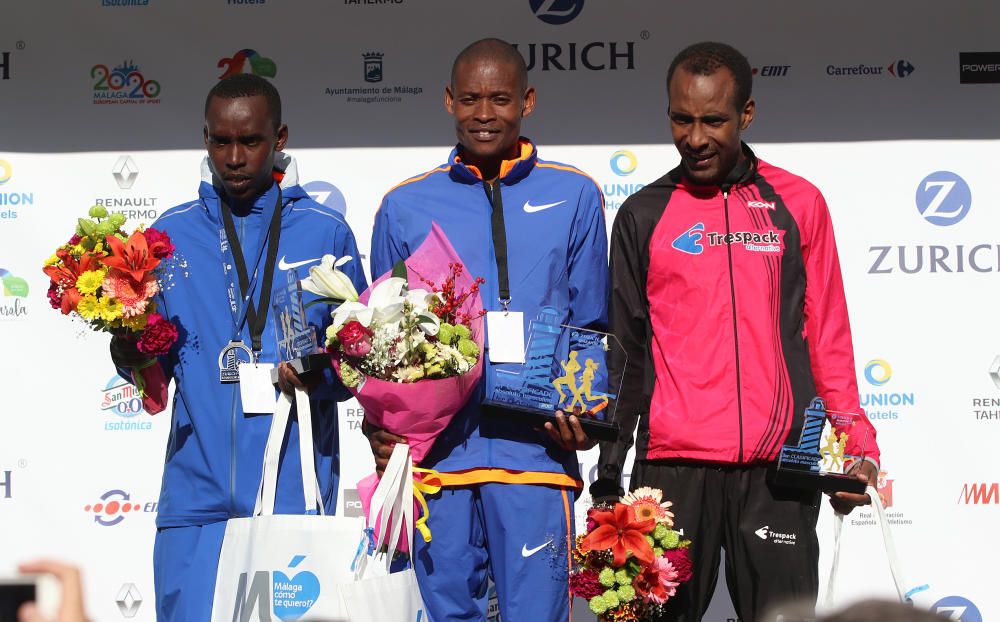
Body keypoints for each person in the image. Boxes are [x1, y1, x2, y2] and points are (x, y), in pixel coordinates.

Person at [591, 42, 882, 621]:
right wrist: (607, 475)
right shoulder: (644, 213)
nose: (695, 138)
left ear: (746, 115)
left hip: (780, 471)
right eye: (681, 118)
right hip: (672, 469)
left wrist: (856, 448)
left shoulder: (798, 203)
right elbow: (624, 352)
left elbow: (827, 336)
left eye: (713, 120)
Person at [108, 73, 367, 621]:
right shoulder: (166, 239)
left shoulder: (327, 232)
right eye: (219, 141)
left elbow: (361, 365)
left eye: (250, 141)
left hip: (292, 493)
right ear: (205, 139)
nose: (233, 156)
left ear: (280, 138)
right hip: (195, 501)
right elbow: (152, 384)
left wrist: (318, 374)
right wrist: (128, 352)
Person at [367, 38, 608, 621]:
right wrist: (382, 431)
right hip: (439, 461)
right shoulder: (404, 204)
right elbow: (380, 341)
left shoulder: (574, 193)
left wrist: (586, 413)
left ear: (526, 100)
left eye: (499, 98)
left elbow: (590, 323)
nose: (483, 113)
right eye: (470, 98)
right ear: (448, 100)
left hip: (536, 457)